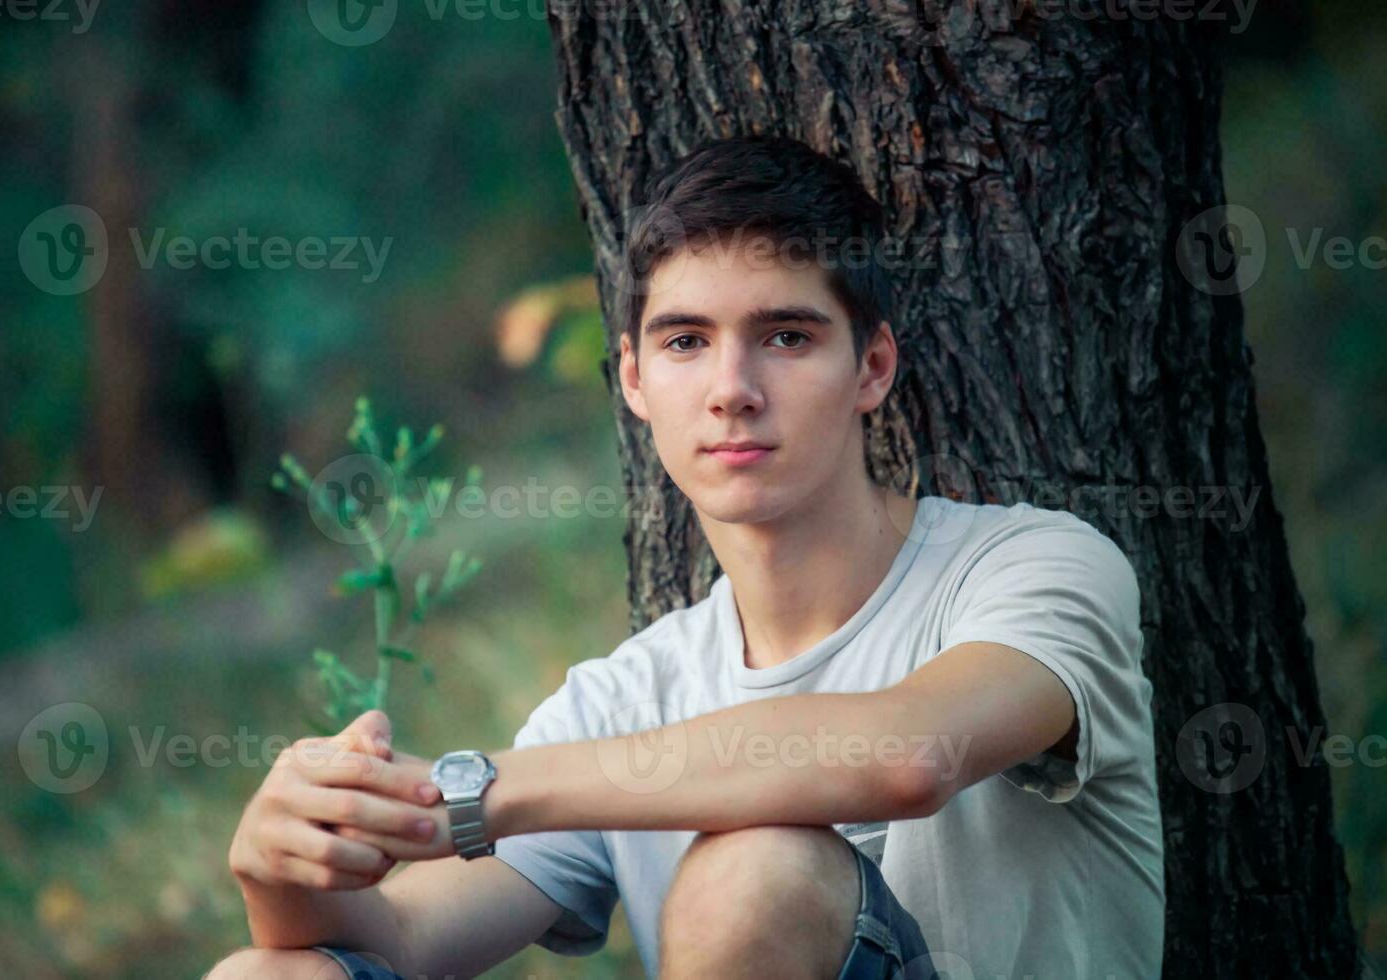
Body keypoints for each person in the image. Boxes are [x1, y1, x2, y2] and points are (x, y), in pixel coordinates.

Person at [210, 135, 1165, 980]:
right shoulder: (625, 703)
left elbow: (911, 755)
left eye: (786, 337)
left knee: (758, 873)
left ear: (873, 367)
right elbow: (397, 950)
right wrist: (284, 868)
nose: (732, 390)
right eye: (685, 342)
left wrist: (477, 793)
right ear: (632, 377)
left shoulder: (1034, 567)